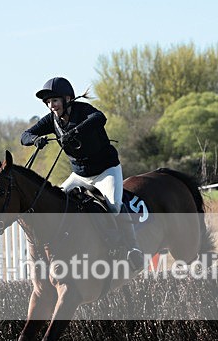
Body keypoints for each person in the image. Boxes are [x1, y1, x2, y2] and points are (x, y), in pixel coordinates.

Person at [21, 76, 143, 269]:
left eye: (55, 100)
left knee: (113, 206)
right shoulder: (52, 120)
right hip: (80, 175)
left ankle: (133, 249)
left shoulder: (83, 110)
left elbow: (100, 118)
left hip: (106, 171)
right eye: (48, 102)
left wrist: (76, 131)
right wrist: (36, 140)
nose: (51, 106)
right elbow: (24, 135)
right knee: (57, 203)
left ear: (67, 99)